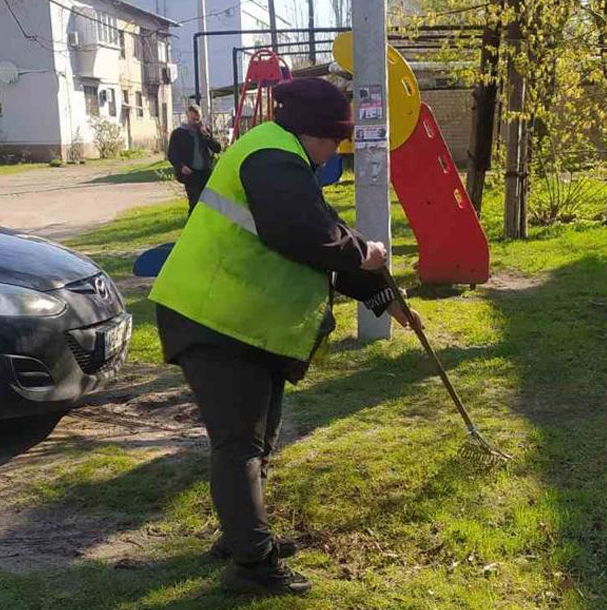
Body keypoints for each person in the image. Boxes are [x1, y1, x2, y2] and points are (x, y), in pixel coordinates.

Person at [149, 78, 422, 596]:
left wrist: (384, 295)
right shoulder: (273, 159)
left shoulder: (282, 157)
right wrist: (365, 255)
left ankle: (243, 537)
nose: (335, 152)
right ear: (313, 132)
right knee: (240, 444)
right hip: (214, 319)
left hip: (241, 323)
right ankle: (252, 567)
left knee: (256, 441)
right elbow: (306, 235)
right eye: (334, 141)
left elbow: (323, 232)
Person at [167, 104, 222, 214]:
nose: (196, 122)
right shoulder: (179, 133)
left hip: (205, 172)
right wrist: (181, 166)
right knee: (195, 203)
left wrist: (207, 136)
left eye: (198, 119)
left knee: (209, 204)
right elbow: (172, 154)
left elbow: (217, 148)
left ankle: (206, 223)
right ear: (187, 116)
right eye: (193, 119)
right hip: (191, 174)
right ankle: (192, 223)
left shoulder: (204, 131)